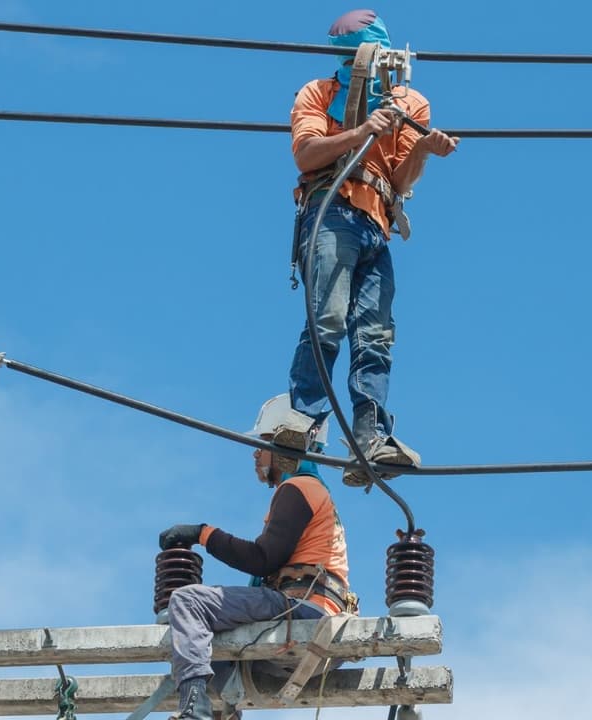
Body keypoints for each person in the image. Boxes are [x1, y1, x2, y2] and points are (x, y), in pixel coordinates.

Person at [281, 9, 459, 487]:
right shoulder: (319, 93)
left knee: (375, 337)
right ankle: (301, 424)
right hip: (331, 212)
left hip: (377, 225)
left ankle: (370, 438)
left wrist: (422, 149)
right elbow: (306, 155)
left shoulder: (409, 102)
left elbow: (399, 181)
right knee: (327, 320)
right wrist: (362, 130)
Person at [161, 394, 357, 720]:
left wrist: (202, 534)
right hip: (311, 615)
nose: (255, 453)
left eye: (262, 443)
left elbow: (262, 559)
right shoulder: (312, 492)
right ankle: (222, 713)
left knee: (188, 603)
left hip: (303, 611)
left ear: (284, 447)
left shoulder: (301, 488)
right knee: (207, 642)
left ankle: (193, 711)